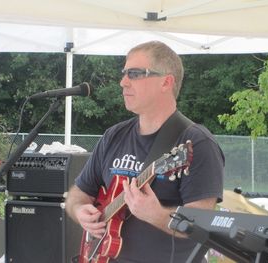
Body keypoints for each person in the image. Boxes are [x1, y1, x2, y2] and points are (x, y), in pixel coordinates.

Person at [65, 41, 224, 263]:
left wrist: (157, 215)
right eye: (124, 74)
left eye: (135, 74)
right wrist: (81, 211)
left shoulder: (196, 143)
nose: (123, 82)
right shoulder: (114, 136)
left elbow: (202, 225)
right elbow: (77, 194)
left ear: (166, 82)